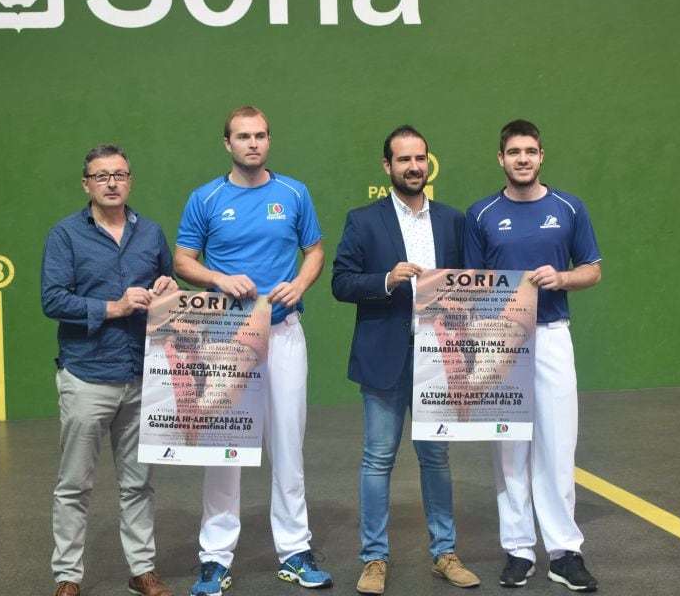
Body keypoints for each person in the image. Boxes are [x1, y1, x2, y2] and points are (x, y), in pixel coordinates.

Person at [174, 106, 330, 596]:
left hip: (284, 334)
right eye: (243, 136)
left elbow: (316, 250)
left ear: (268, 139)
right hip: (224, 339)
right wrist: (218, 277)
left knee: (288, 443)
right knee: (225, 449)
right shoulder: (206, 198)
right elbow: (182, 258)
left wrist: (299, 284)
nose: (253, 144)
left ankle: (295, 551)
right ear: (227, 144)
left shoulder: (293, 193)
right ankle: (215, 559)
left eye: (260, 135)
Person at [332, 126, 481, 595]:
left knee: (435, 458)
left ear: (427, 163)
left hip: (439, 360)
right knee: (377, 459)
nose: (413, 167)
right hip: (384, 357)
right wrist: (386, 279)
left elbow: (473, 284)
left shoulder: (454, 221)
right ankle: (373, 559)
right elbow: (341, 282)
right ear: (387, 167)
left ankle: (445, 553)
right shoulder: (363, 220)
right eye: (403, 160)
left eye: (420, 158)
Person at [464, 120, 603, 592]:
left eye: (530, 151)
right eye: (514, 152)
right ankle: (519, 550)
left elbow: (593, 270)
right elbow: (471, 284)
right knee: (509, 448)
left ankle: (565, 552)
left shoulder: (568, 208)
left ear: (542, 156)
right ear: (500, 159)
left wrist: (561, 279)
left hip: (552, 336)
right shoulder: (480, 214)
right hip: (501, 341)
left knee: (559, 446)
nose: (522, 158)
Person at [41, 144, 178, 596]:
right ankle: (67, 576)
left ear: (130, 180)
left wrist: (168, 286)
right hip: (86, 375)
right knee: (74, 485)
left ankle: (142, 569)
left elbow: (168, 289)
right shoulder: (65, 235)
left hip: (142, 376)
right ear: (87, 184)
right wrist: (113, 307)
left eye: (119, 174)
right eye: (101, 176)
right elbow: (53, 299)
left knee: (139, 484)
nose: (112, 183)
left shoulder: (151, 232)